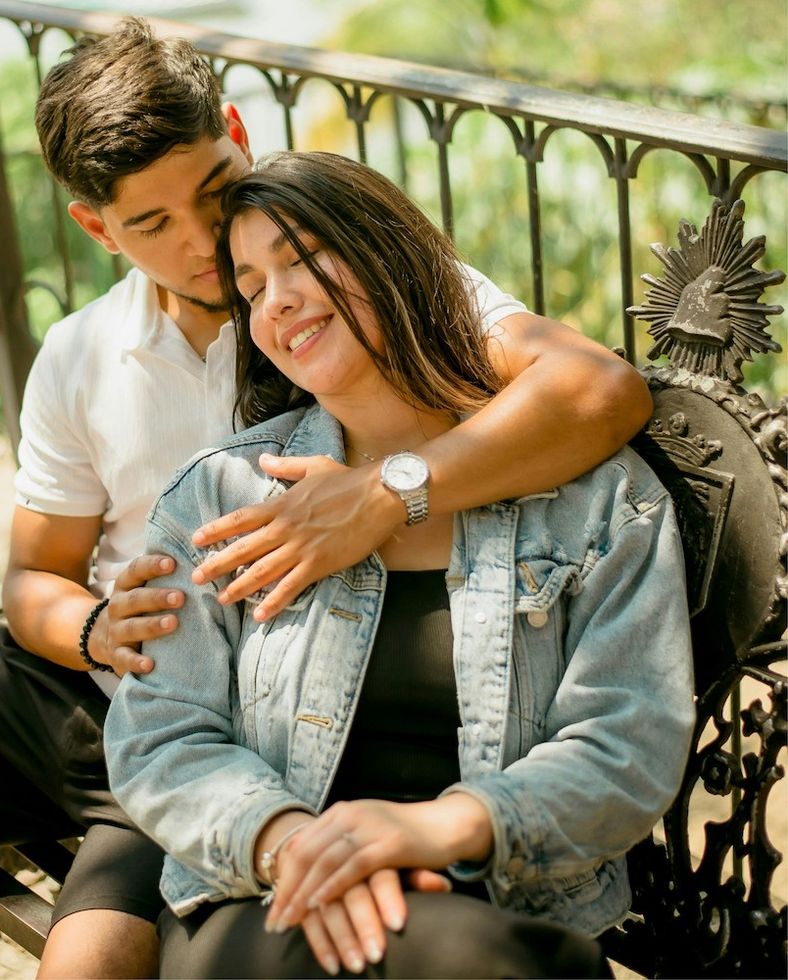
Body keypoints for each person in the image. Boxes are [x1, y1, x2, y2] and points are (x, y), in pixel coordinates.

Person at [0, 18, 653, 979]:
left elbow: (600, 392)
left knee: (86, 964)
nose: (205, 244)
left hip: (231, 719)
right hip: (92, 686)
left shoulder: (355, 291)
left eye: (211, 193)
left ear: (240, 134)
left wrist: (385, 495)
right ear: (96, 228)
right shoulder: (81, 354)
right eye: (150, 224)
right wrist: (95, 631)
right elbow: (31, 579)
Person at [104, 151, 696, 979]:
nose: (276, 300)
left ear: (388, 251)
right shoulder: (219, 496)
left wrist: (439, 829)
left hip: (500, 908)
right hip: (265, 904)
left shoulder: (599, 498)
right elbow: (162, 736)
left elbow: (627, 744)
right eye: (250, 287)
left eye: (302, 257)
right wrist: (296, 844)